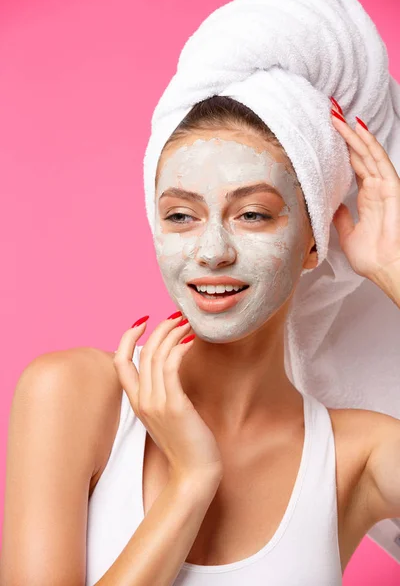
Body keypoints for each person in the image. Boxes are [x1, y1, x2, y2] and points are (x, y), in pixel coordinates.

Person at [1, 91, 400, 586]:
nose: (212, 252)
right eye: (180, 216)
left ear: (313, 240)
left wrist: (393, 269)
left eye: (252, 213)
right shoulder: (72, 394)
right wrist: (190, 484)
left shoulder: (358, 453)